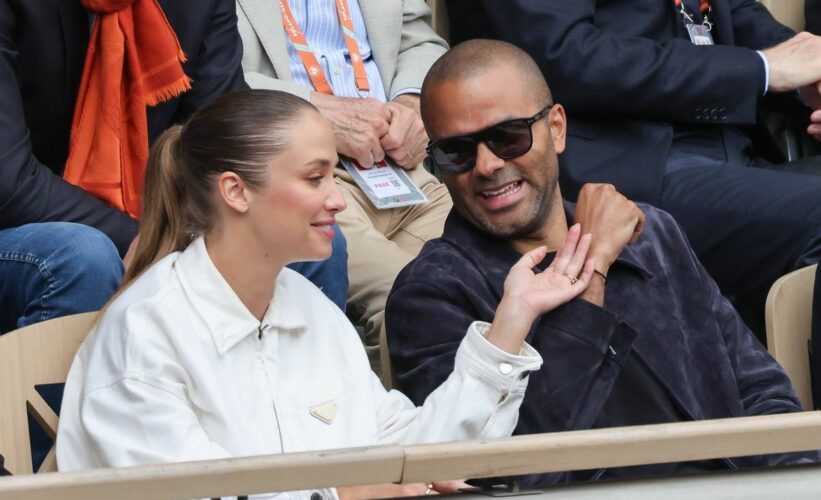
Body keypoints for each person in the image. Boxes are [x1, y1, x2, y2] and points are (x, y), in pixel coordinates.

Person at [54, 89, 617, 499]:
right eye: (314, 178)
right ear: (235, 192)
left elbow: (413, 454)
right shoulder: (145, 329)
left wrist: (510, 321)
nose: (339, 200)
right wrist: (346, 494)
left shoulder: (309, 308)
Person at [386, 40, 821, 485]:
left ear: (556, 129)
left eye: (507, 137)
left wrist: (804, 484)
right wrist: (592, 269)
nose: (485, 165)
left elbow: (759, 392)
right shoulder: (432, 292)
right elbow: (521, 473)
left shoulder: (650, 234)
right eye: (456, 152)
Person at [444, 0, 821, 409]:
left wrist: (819, 73)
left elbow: (728, 11)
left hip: (735, 140)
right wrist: (762, 69)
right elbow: (566, 53)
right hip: (628, 158)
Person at [0, 0, 347, 335]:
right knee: (83, 256)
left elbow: (222, 142)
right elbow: (10, 183)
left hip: (154, 214)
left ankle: (309, 393)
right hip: (23, 228)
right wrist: (142, 238)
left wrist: (177, 234)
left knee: (303, 239)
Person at [235, 0, 453, 367]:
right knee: (413, 300)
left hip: (402, 165)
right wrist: (314, 113)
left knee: (497, 278)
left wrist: (412, 103)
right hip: (299, 176)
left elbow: (419, 40)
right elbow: (210, 80)